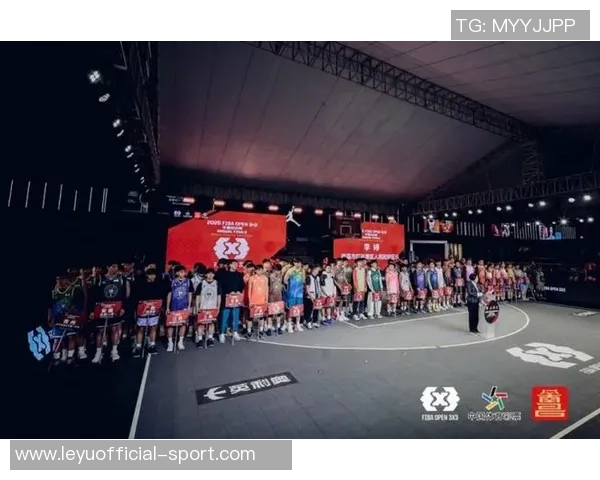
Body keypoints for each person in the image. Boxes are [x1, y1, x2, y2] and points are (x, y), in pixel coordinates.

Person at [90, 263, 129, 364]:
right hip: (101, 308)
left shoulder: (122, 279)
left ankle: (114, 351)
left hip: (115, 308)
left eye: (116, 266)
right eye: (113, 266)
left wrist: (123, 307)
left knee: (115, 329)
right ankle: (98, 353)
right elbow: (93, 295)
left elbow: (125, 295)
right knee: (101, 331)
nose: (115, 268)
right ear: (107, 267)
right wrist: (92, 310)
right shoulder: (99, 279)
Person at [132, 267, 165, 357]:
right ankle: (138, 346)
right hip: (143, 309)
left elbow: (160, 297)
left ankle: (152, 345)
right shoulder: (141, 285)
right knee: (140, 328)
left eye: (154, 275)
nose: (152, 276)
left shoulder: (158, 285)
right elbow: (136, 297)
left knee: (153, 327)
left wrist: (159, 306)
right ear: (147, 275)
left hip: (154, 309)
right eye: (150, 275)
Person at [165, 265, 194, 352]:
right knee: (171, 325)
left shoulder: (188, 282)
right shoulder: (172, 282)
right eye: (181, 272)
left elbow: (190, 294)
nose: (183, 273)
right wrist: (167, 307)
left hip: (184, 306)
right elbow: (169, 294)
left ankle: (180, 342)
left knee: (183, 324)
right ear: (177, 273)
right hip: (173, 306)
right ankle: (170, 343)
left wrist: (189, 306)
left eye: (184, 272)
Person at [219, 260, 245, 343]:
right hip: (227, 298)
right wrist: (228, 292)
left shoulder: (239, 275)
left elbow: (242, 285)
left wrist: (239, 291)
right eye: (234, 264)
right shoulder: (224, 275)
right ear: (230, 265)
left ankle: (235, 331)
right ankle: (222, 333)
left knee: (235, 315)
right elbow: (222, 286)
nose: (236, 265)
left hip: (236, 298)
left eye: (237, 264)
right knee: (225, 316)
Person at [195, 268, 221, 347]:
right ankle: (200, 339)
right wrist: (197, 307)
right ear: (206, 275)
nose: (210, 275)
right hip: (203, 307)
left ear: (214, 275)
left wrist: (218, 307)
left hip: (212, 307)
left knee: (211, 323)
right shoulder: (201, 284)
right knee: (201, 324)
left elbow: (219, 296)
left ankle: (210, 338)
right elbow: (197, 296)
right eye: (208, 274)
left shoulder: (217, 283)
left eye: (212, 274)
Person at [247, 263, 269, 338]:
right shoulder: (251, 278)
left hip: (262, 301)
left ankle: (261, 331)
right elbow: (249, 290)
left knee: (261, 317)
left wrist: (266, 300)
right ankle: (249, 331)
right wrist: (250, 301)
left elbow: (266, 289)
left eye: (261, 270)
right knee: (250, 317)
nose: (260, 271)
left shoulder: (265, 278)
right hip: (254, 301)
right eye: (258, 270)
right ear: (255, 270)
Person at [284, 259, 305, 332]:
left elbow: (303, 280)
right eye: (297, 263)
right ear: (294, 263)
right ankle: (289, 325)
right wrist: (291, 286)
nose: (298, 264)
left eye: (299, 263)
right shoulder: (290, 270)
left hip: (299, 293)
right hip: (292, 293)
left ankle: (297, 325)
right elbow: (285, 280)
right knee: (291, 308)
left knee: (299, 309)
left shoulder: (302, 270)